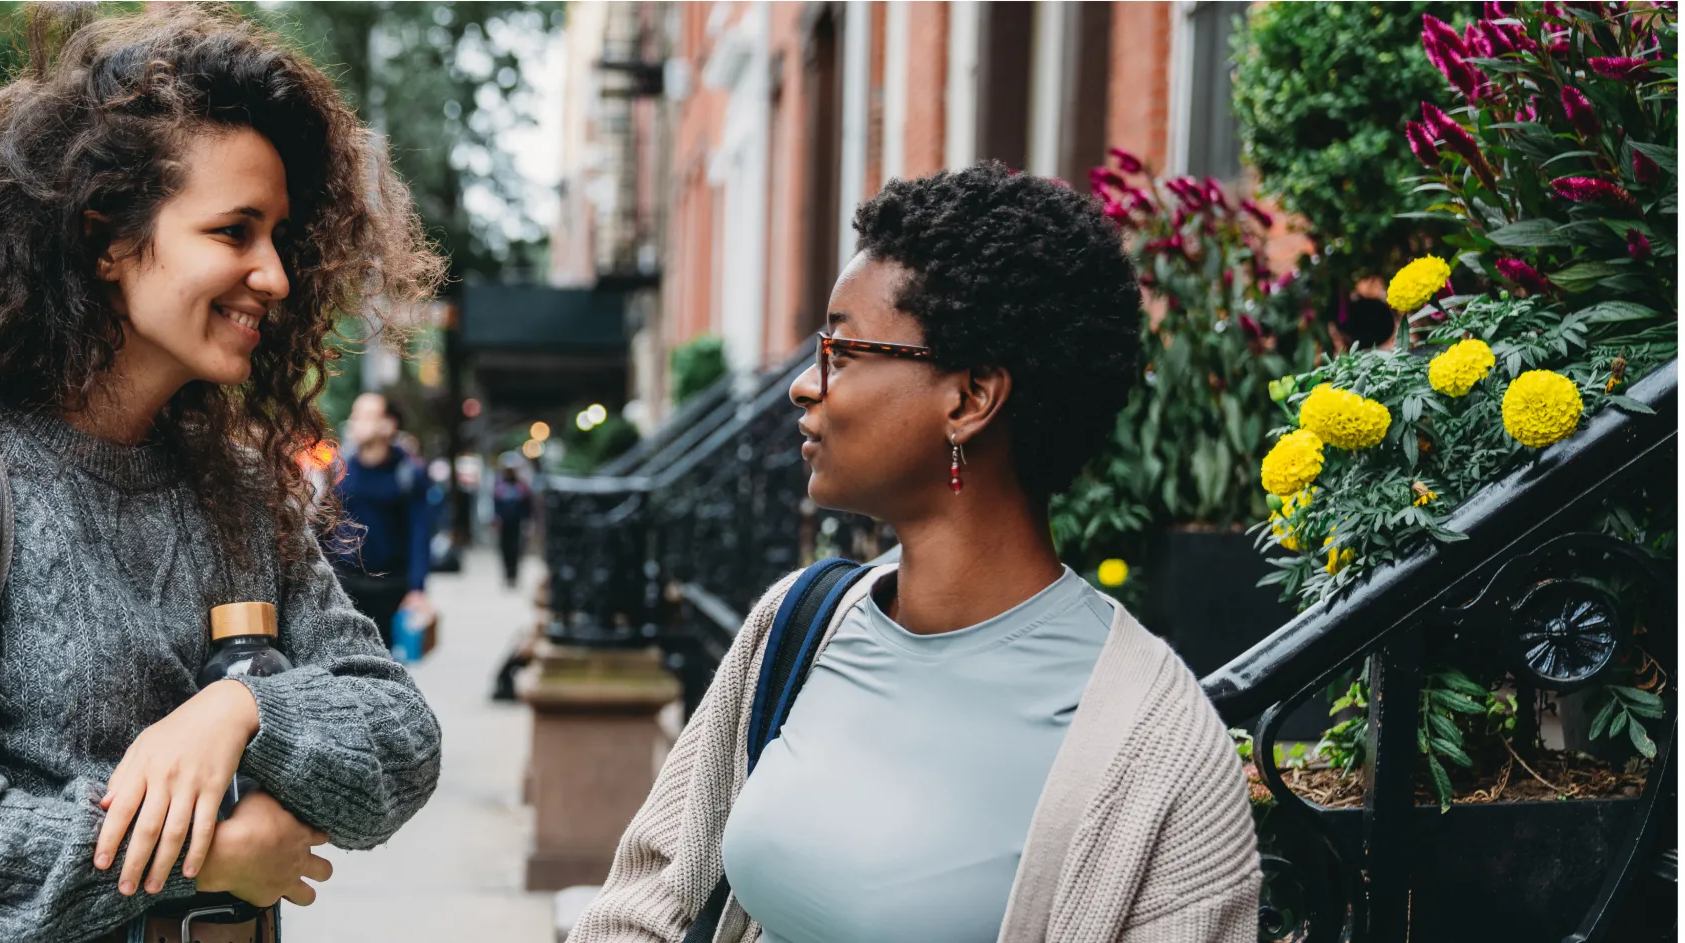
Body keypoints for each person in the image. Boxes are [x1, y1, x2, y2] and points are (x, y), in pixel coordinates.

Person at [0, 8, 447, 942]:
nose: (274, 276)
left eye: (279, 237)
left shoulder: (238, 487)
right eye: (234, 231)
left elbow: (400, 736)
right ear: (107, 237)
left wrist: (244, 708)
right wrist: (201, 853)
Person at [572, 164, 1259, 943]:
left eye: (842, 350)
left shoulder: (1161, 746)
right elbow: (648, 895)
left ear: (969, 399)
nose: (803, 384)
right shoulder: (797, 622)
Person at [325, 391, 434, 650]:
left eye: (367, 415)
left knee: (385, 661)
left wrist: (417, 588)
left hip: (391, 586)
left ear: (388, 425)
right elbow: (324, 528)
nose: (355, 421)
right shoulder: (340, 470)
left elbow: (420, 532)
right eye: (355, 415)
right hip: (346, 583)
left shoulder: (408, 473)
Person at [491, 457, 532, 588]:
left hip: (517, 524)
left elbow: (527, 506)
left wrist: (528, 521)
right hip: (504, 524)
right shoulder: (500, 486)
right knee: (504, 550)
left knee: (516, 550)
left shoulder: (521, 487)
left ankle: (514, 576)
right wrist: (495, 519)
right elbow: (495, 505)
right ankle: (507, 575)